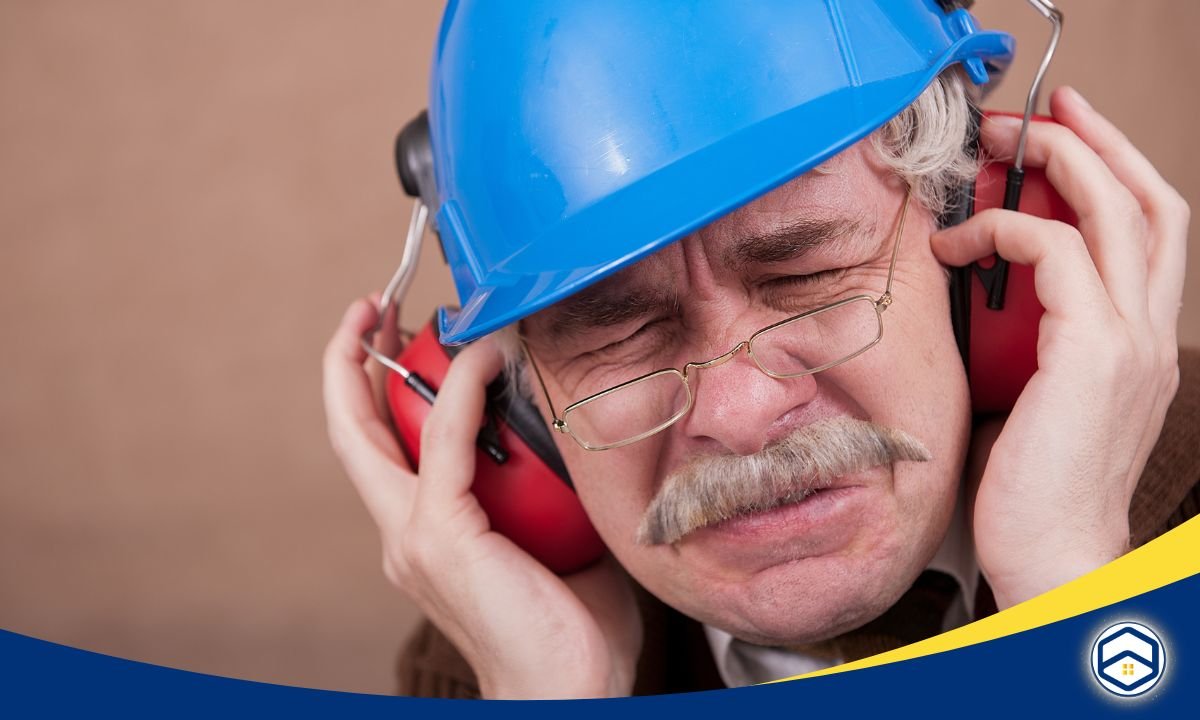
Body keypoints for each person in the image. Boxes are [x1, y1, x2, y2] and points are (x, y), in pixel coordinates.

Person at [322, 0, 1196, 699]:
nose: (738, 416)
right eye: (620, 331)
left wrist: (1072, 597)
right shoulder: (494, 645)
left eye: (805, 276)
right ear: (524, 408)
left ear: (991, 254)